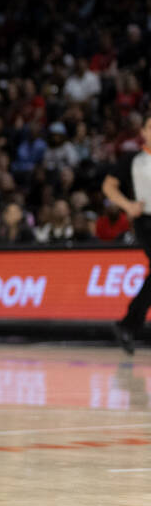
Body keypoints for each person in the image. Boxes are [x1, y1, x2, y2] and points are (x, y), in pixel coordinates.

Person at [102, 112, 151, 354]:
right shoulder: (133, 159)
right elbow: (108, 186)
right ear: (143, 132)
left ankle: (127, 326)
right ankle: (128, 325)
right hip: (147, 221)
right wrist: (128, 205)